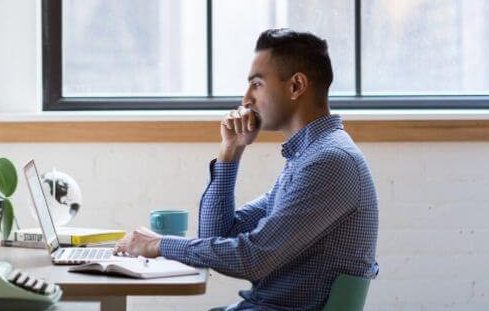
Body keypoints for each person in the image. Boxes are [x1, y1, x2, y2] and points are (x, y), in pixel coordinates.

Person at [115, 28, 379, 311]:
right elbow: (215, 237)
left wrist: (158, 245)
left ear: (296, 86)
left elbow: (253, 259)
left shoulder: (328, 162)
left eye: (257, 84)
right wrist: (230, 152)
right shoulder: (307, 158)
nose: (245, 100)